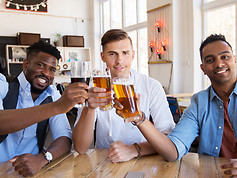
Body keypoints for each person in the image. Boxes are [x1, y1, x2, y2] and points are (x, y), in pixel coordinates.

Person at [127, 34, 237, 178]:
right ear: (203, 68)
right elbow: (173, 151)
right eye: (210, 60)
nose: (219, 63)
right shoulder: (199, 103)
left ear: (234, 59)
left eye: (225, 57)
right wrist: (139, 119)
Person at [0, 40, 88, 176]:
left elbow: (64, 137)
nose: (46, 73)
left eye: (52, 69)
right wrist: (57, 107)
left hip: (27, 175)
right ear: (26, 64)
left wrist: (43, 158)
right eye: (41, 65)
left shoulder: (52, 94)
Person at [72, 29, 175, 163]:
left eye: (125, 53)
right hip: (105, 162)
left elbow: (169, 137)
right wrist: (89, 108)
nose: (119, 60)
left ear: (132, 55)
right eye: (112, 54)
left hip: (144, 159)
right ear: (103, 57)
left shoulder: (151, 86)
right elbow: (80, 147)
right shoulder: (93, 86)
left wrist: (133, 150)